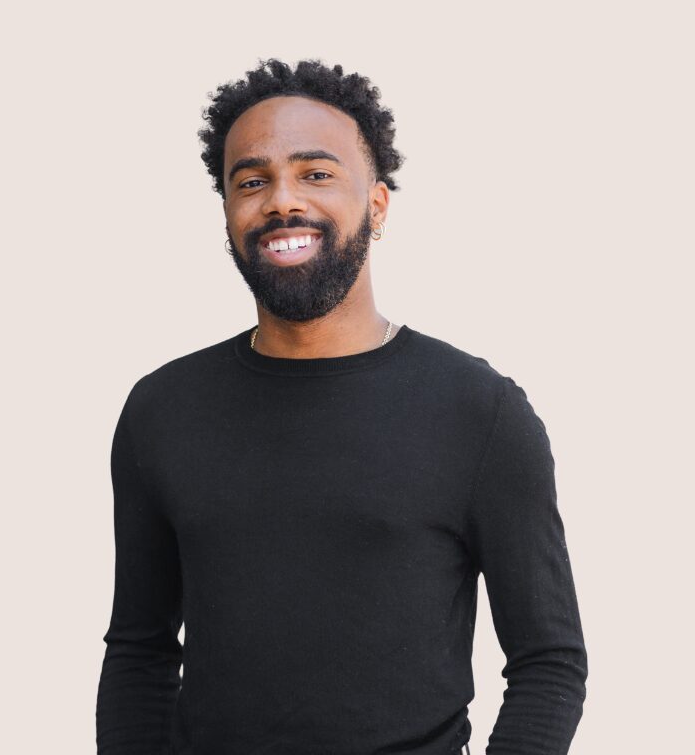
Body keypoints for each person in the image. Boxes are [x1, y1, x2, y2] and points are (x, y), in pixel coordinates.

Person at [95, 58, 588, 755]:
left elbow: (550, 664)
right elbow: (139, 654)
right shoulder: (163, 410)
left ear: (378, 206)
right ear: (228, 214)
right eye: (252, 181)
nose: (282, 202)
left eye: (316, 173)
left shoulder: (480, 413)